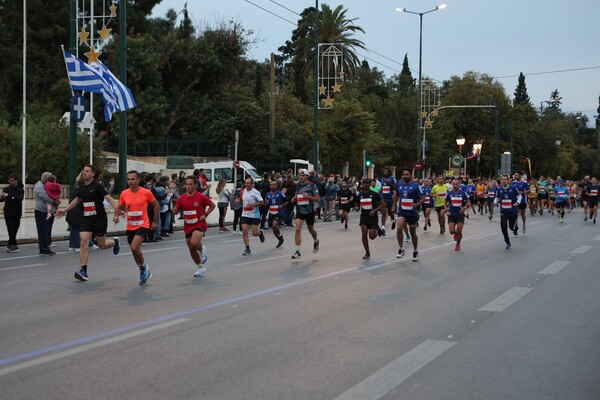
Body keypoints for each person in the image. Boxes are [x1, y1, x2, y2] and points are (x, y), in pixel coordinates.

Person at [55, 164, 122, 281]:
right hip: (87, 219)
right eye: (84, 171)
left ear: (92, 174)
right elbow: (77, 200)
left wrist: (118, 211)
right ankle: (83, 271)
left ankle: (115, 242)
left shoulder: (98, 186)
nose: (84, 173)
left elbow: (110, 199)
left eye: (87, 171)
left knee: (102, 245)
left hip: (99, 219)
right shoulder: (81, 187)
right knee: (84, 241)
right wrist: (65, 210)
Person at [113, 170, 160, 285]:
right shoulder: (124, 193)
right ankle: (143, 269)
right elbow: (119, 207)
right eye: (128, 179)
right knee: (134, 251)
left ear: (138, 180)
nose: (130, 181)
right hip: (130, 226)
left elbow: (156, 205)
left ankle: (144, 266)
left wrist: (154, 221)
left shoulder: (146, 192)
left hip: (143, 224)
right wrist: (116, 216)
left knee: (134, 247)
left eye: (133, 179)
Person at [173, 175, 215, 277]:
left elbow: (212, 205)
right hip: (188, 225)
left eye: (190, 184)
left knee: (194, 242)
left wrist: (205, 214)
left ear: (195, 185)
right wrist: (174, 210)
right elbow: (176, 210)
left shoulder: (201, 196)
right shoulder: (182, 198)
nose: (188, 186)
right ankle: (200, 268)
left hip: (199, 224)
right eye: (186, 184)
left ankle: (202, 249)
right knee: (191, 248)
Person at [392, 168, 425, 261]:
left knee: (413, 233)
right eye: (403, 174)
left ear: (410, 175)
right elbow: (397, 195)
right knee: (399, 227)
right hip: (402, 211)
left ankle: (415, 250)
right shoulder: (399, 184)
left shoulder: (416, 186)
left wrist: (417, 204)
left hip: (412, 212)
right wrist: (394, 205)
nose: (405, 176)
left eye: (407, 174)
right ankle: (401, 249)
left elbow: (423, 198)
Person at [290, 169, 320, 259]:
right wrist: (294, 198)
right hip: (300, 210)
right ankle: (297, 251)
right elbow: (297, 194)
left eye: (303, 175)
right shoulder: (298, 185)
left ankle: (316, 240)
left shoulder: (312, 185)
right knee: (297, 229)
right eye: (300, 175)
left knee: (311, 230)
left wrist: (309, 196)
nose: (301, 177)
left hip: (309, 211)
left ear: (307, 176)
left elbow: (318, 199)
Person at [355, 178, 386, 259]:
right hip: (364, 216)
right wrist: (357, 207)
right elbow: (357, 204)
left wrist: (374, 210)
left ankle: (377, 229)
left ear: (370, 184)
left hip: (373, 217)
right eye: (364, 183)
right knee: (364, 233)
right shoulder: (360, 195)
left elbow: (383, 204)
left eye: (367, 183)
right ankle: (367, 252)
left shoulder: (374, 194)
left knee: (372, 237)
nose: (365, 184)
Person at [34, 172, 61, 256]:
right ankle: (43, 249)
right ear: (46, 180)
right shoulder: (39, 187)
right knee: (43, 231)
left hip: (48, 212)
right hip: (42, 211)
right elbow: (46, 197)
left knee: (47, 231)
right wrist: (55, 201)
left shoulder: (46, 186)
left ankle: (46, 247)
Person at [237, 177, 265, 256]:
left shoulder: (255, 192)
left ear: (252, 184)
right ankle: (247, 248)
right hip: (245, 214)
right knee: (245, 230)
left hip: (254, 215)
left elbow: (262, 202)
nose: (246, 184)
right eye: (245, 183)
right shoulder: (243, 191)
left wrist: (253, 204)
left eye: (248, 183)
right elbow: (240, 200)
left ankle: (260, 233)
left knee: (254, 233)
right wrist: (237, 201)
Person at [495, 175, 520, 249]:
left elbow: (520, 196)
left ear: (508, 180)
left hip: (512, 211)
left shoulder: (513, 188)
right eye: (502, 179)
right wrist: (495, 202)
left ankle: (515, 227)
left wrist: (517, 203)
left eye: (505, 179)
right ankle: (507, 242)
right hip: (504, 211)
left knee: (512, 228)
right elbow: (498, 197)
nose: (503, 181)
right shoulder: (500, 189)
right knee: (503, 226)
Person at [1, 174, 24, 252]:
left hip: (17, 212)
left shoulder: (20, 189)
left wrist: (9, 196)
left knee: (15, 228)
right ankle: (14, 245)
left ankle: (11, 243)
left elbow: (19, 199)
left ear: (16, 180)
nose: (10, 182)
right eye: (9, 180)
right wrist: (1, 197)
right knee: (10, 228)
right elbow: (2, 200)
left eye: (12, 180)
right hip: (8, 211)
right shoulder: (6, 189)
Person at [445, 178, 470, 251]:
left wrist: (464, 207)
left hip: (460, 215)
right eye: (453, 184)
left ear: (459, 184)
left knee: (459, 230)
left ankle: (458, 244)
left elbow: (469, 203)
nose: (455, 186)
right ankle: (456, 233)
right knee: (452, 231)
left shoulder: (463, 193)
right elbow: (445, 202)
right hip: (452, 214)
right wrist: (446, 210)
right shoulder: (449, 193)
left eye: (456, 184)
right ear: (451, 185)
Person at [265, 180, 287, 248]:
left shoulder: (280, 193)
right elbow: (265, 203)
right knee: (273, 228)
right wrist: (266, 203)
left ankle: (280, 235)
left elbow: (287, 201)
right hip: (271, 212)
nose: (272, 186)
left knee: (274, 225)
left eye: (274, 185)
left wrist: (282, 205)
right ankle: (280, 239)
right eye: (271, 185)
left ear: (277, 186)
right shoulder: (267, 194)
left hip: (279, 212)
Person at [379, 167, 397, 234]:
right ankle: (383, 227)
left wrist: (390, 183)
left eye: (386, 171)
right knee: (383, 212)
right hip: (383, 198)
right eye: (384, 171)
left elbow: (395, 187)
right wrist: (376, 195)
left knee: (390, 212)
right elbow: (381, 188)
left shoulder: (393, 179)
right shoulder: (382, 179)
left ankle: (394, 219)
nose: (385, 172)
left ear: (389, 172)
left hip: (390, 198)